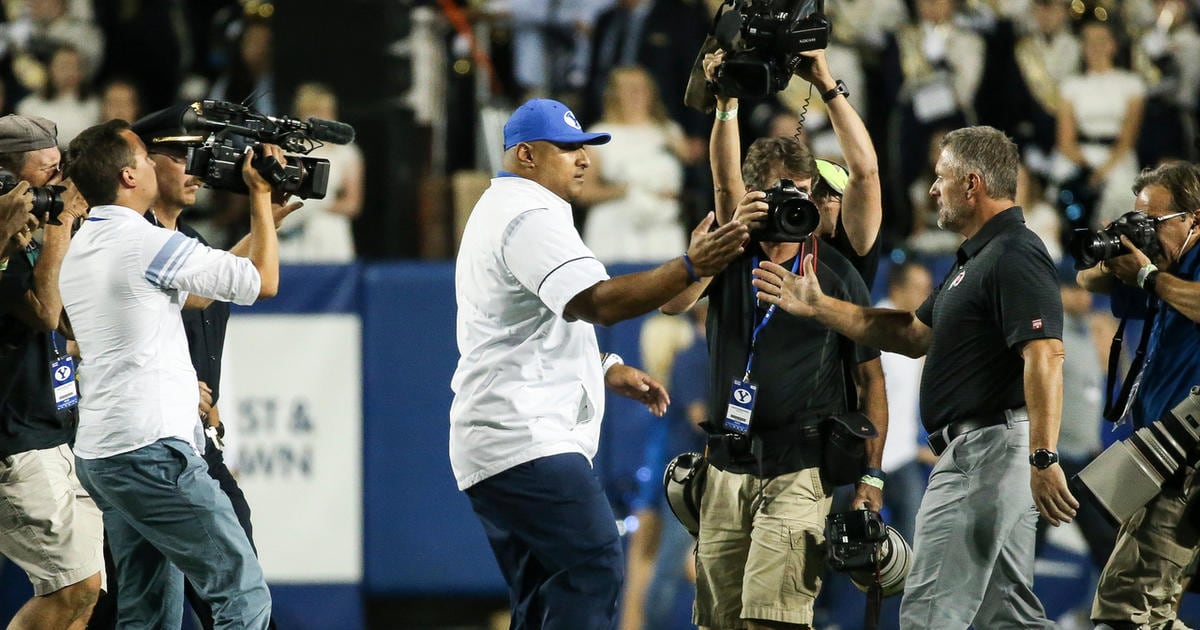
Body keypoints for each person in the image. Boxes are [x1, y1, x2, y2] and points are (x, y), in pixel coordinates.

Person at [753, 125, 1079, 629]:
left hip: (987, 453)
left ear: (971, 184)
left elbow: (1046, 354)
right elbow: (910, 333)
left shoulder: (1014, 251)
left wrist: (1043, 455)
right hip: (990, 451)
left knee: (929, 615)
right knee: (1008, 616)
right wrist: (819, 305)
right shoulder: (977, 257)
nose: (931, 189)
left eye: (940, 177)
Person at [450, 97, 748, 630]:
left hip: (501, 440)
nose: (583, 158)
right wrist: (691, 265)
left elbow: (527, 322)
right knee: (594, 567)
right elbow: (599, 301)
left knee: (546, 600)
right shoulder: (528, 214)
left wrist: (604, 365)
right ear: (526, 155)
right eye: (566, 149)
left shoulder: (507, 208)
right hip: (526, 436)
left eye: (584, 147)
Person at [662, 49, 888, 630]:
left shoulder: (835, 269)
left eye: (803, 193)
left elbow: (871, 381)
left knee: (775, 621)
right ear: (752, 196)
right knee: (717, 620)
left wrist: (870, 476)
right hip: (726, 466)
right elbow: (675, 294)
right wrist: (726, 106)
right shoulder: (730, 249)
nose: (796, 204)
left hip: (798, 466)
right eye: (779, 193)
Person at [58, 119, 280, 629]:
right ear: (128, 177)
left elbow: (199, 293)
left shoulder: (86, 242)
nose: (153, 164)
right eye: (142, 156)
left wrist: (266, 225)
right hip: (152, 449)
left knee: (149, 611)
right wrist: (260, 196)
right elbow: (263, 282)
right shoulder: (145, 242)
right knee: (241, 592)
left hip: (103, 453)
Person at [1076, 161, 1200, 630]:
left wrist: (1149, 276)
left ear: (1195, 219)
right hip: (1162, 457)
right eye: (1139, 219)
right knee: (1149, 613)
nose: (1146, 232)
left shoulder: (1173, 273)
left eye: (1155, 222)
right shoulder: (1165, 266)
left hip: (1186, 462)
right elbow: (1088, 282)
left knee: (1126, 612)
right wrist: (1115, 251)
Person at [0, 113, 101, 630]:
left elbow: (64, 320)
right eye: (47, 172)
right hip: (15, 439)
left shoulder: (35, 236)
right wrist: (60, 225)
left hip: (57, 427)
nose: (59, 184)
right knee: (70, 587)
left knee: (86, 594)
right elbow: (41, 309)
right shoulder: (3, 240)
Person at [702, 46, 883, 286]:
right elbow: (725, 185)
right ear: (753, 194)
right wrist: (726, 100)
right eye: (783, 189)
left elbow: (866, 173)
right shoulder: (747, 231)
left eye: (825, 195)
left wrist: (826, 83)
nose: (804, 201)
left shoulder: (851, 247)